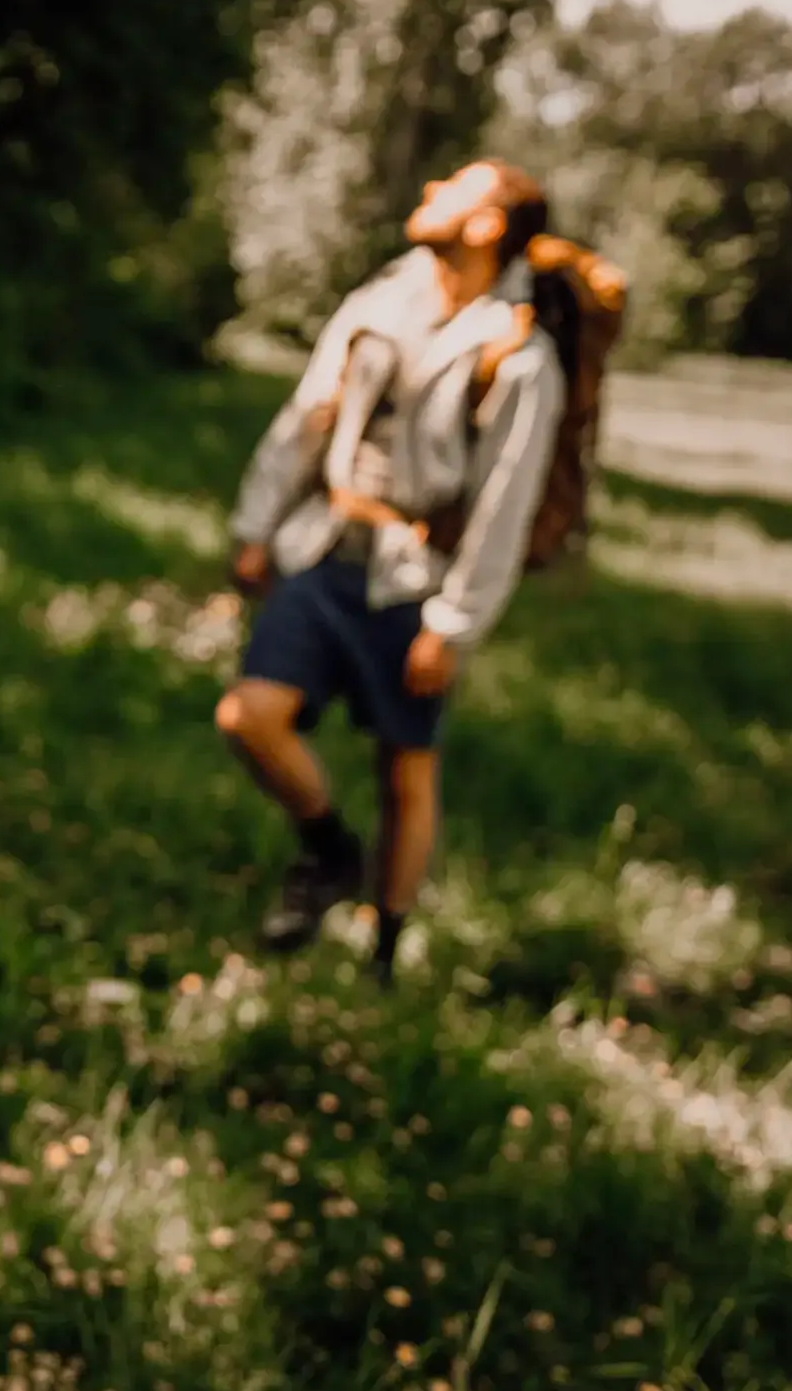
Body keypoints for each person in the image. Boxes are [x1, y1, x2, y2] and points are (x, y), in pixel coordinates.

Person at [217, 161, 565, 984]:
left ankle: (384, 951)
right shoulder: (379, 302)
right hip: (327, 550)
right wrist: (257, 523)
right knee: (248, 715)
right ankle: (329, 849)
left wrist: (453, 623)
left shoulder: (517, 353)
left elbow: (504, 504)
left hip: (418, 583)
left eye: (454, 188)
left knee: (405, 770)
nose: (428, 189)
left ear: (487, 227)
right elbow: (311, 413)